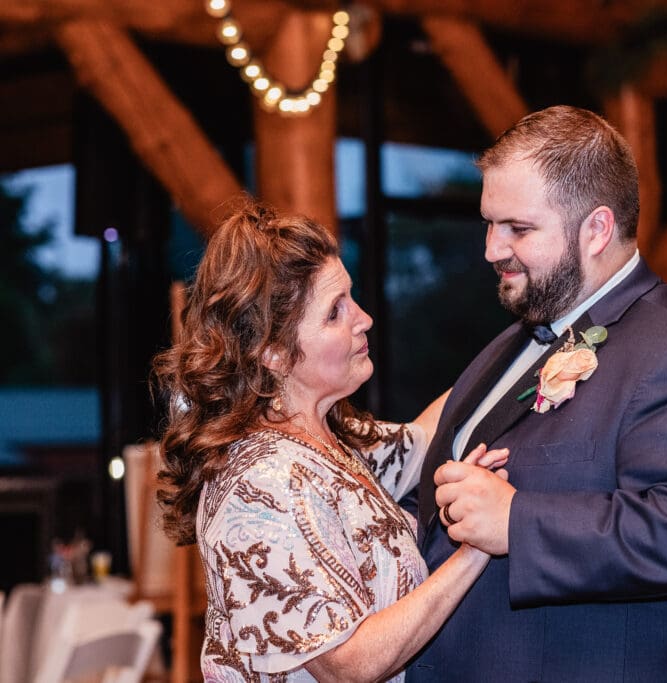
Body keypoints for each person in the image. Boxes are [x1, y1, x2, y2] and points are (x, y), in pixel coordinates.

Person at [408, 106, 667, 681]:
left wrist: (518, 521)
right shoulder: (506, 346)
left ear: (597, 229)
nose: (490, 249)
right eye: (488, 223)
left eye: (518, 229)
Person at [152, 201, 507, 682]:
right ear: (274, 353)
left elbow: (424, 436)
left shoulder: (327, 440)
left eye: (352, 297)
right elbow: (348, 665)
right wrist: (476, 550)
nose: (364, 319)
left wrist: (528, 351)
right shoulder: (260, 488)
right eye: (335, 313)